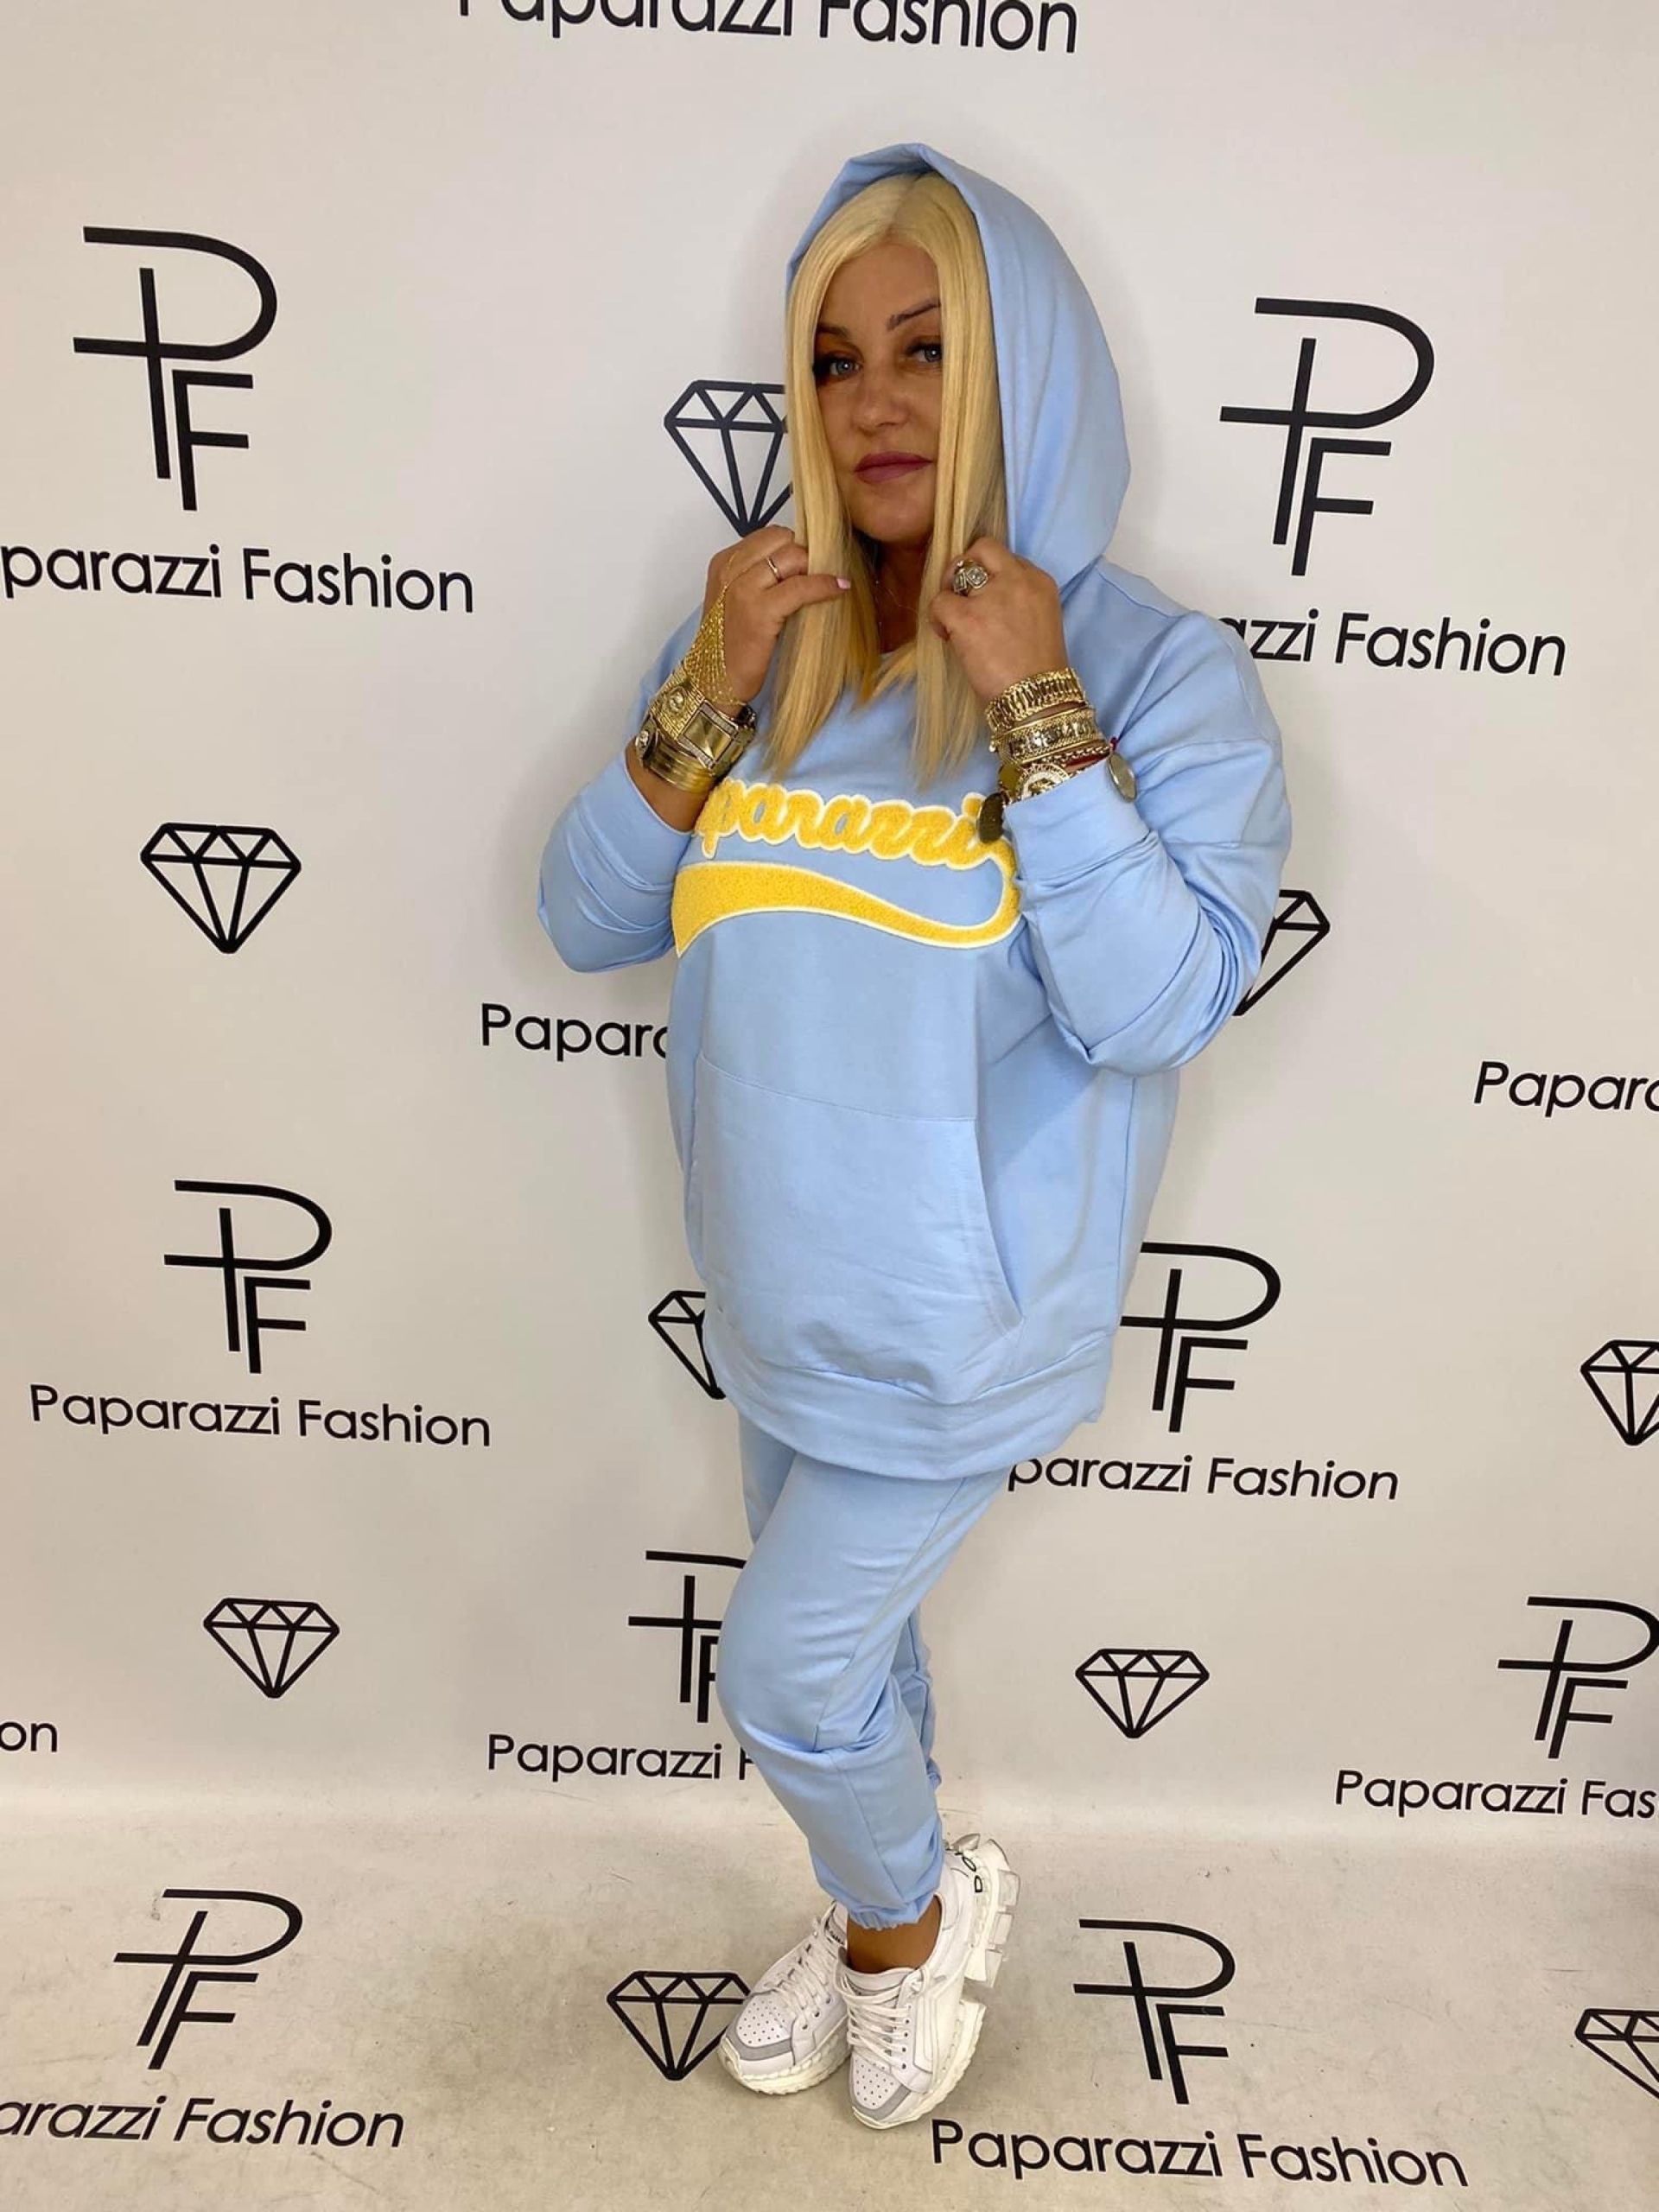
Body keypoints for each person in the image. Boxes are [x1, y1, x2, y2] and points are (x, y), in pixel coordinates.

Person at [536, 140, 1293, 2131]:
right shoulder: (776, 637)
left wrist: (1037, 704)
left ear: (1026, 366)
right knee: (854, 1668)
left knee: (785, 1676)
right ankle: (885, 1897)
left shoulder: (1159, 670)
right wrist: (708, 686)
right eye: (837, 357)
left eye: (930, 348)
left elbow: (1158, 1004)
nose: (875, 401)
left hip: (959, 1320)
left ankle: (907, 1919)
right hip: (774, 1291)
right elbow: (590, 914)